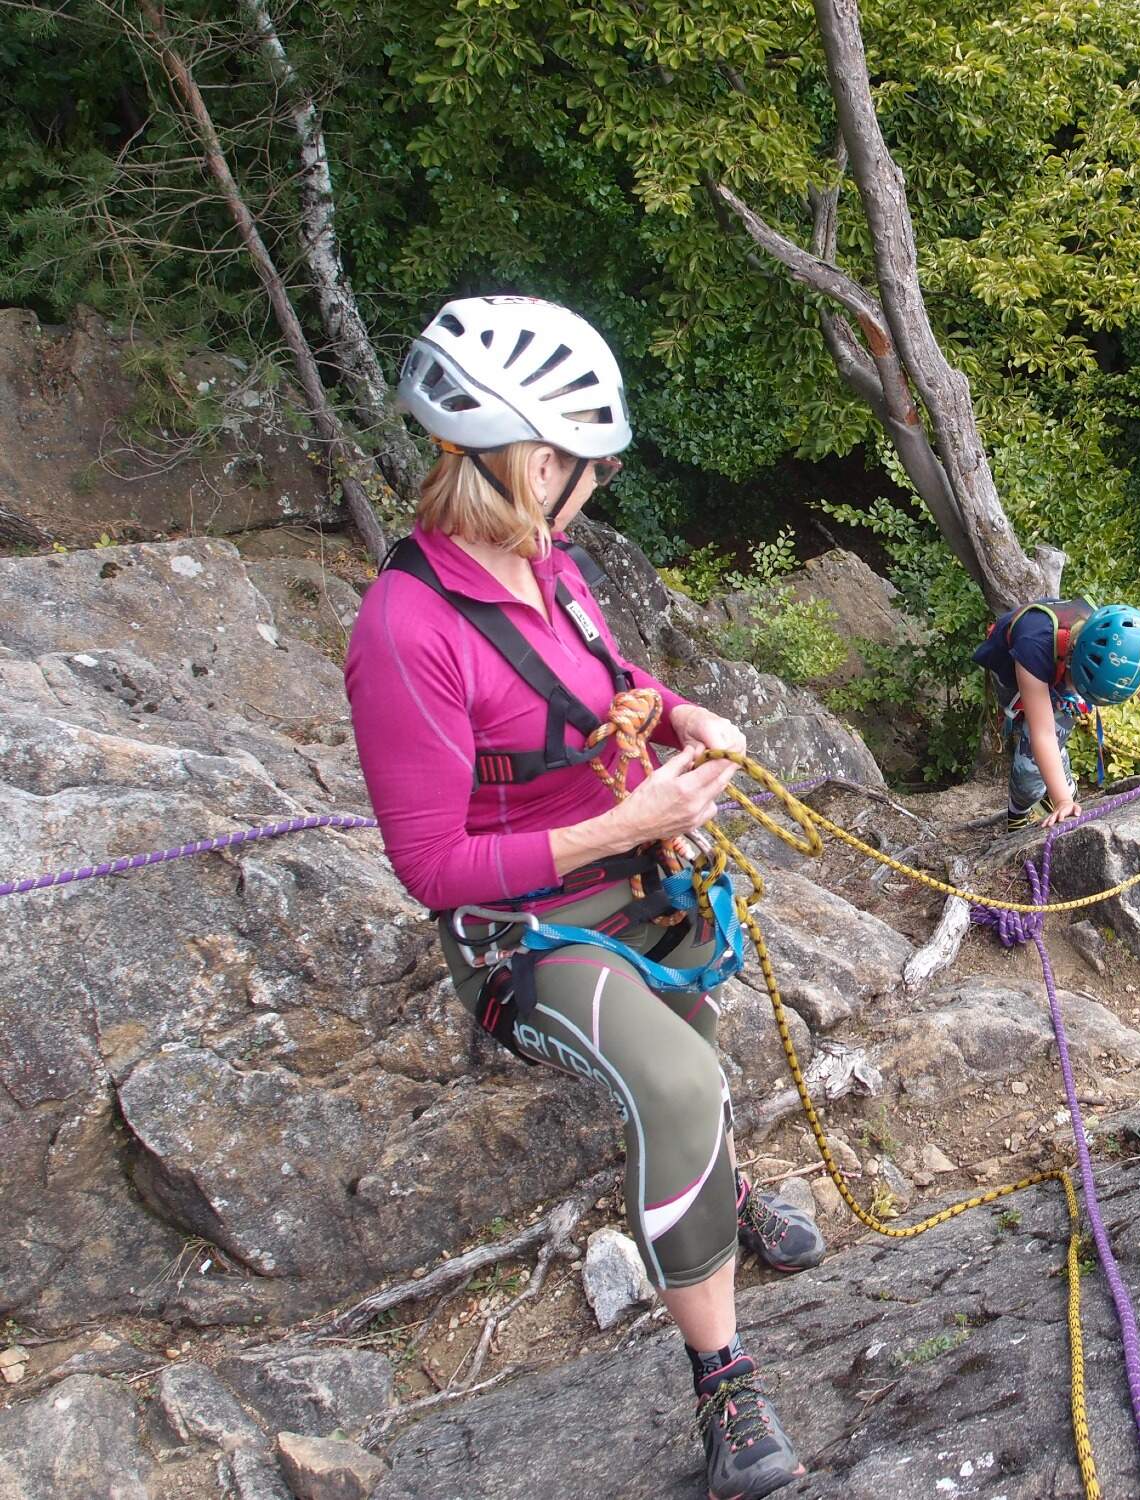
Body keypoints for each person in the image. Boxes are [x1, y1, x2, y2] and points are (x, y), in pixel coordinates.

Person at [344, 295, 814, 1500]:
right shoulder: (408, 629)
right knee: (677, 1077)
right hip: (522, 933)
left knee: (698, 1037)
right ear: (534, 461)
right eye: (586, 469)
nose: (593, 489)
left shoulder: (550, 564)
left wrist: (681, 713)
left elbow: (605, 684)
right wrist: (626, 822)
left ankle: (726, 1190)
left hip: (628, 873)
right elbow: (431, 868)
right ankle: (723, 1385)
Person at [973, 599, 1140, 828]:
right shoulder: (1034, 647)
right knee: (1030, 757)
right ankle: (1019, 812)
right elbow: (1043, 733)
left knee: (1055, 736)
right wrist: (1063, 800)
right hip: (1016, 667)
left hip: (1059, 664)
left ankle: (1052, 785)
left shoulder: (1123, 650)